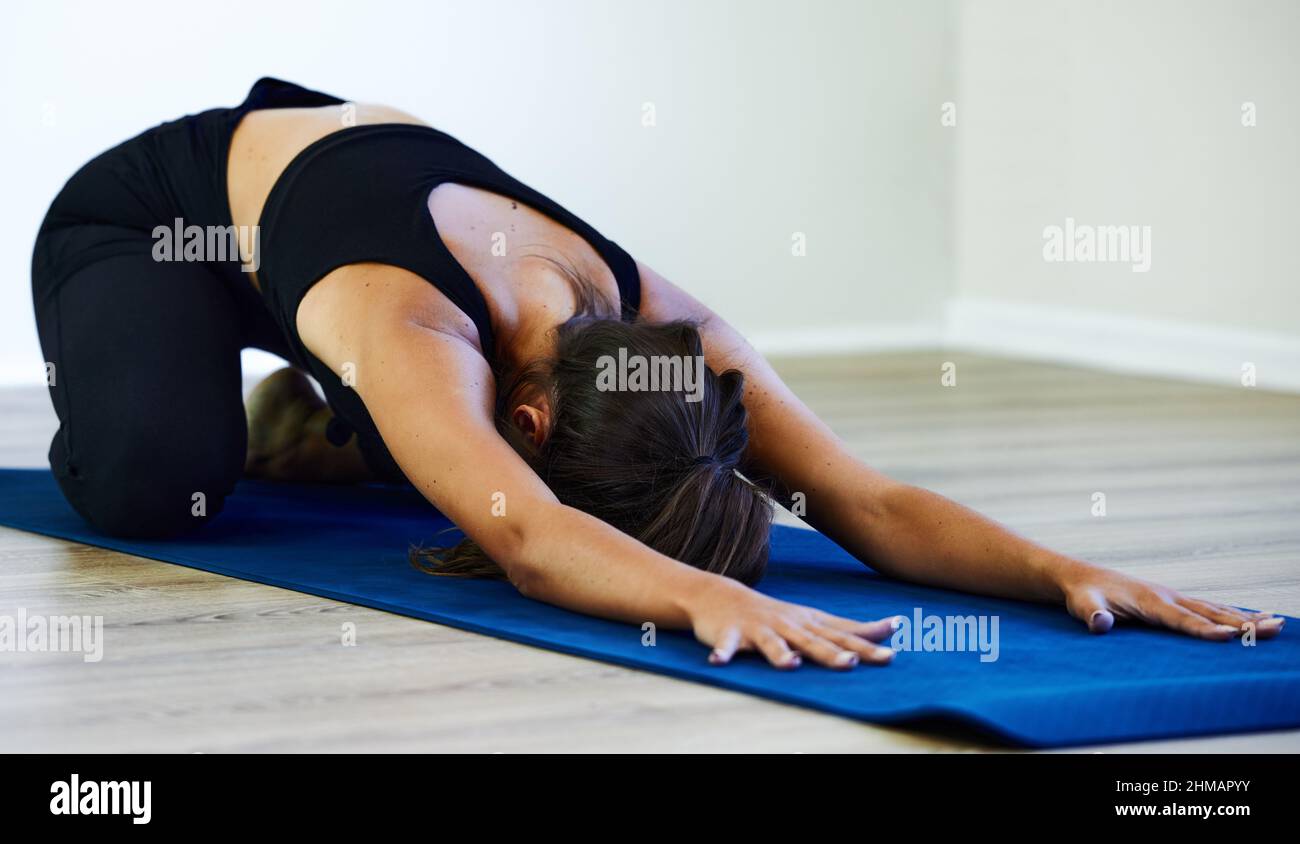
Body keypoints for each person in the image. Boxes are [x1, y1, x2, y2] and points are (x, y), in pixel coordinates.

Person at [31, 79, 1284, 671]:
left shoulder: (679, 338)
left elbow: (867, 500)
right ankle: (247, 408)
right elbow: (530, 535)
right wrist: (694, 596)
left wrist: (1065, 568)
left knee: (423, 454)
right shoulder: (410, 319)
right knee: (157, 480)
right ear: (529, 413)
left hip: (329, 251)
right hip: (153, 225)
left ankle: (326, 422)